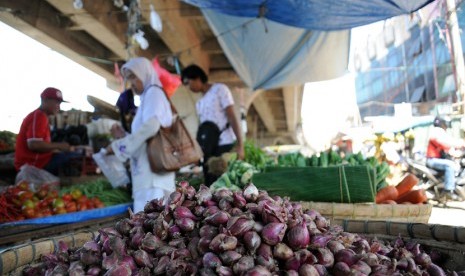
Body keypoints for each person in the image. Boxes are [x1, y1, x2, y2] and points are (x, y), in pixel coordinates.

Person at [106, 57, 175, 212]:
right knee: (154, 220)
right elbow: (145, 132)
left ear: (145, 74)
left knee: (149, 221)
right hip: (150, 171)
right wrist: (123, 135)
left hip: (152, 172)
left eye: (133, 77)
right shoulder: (148, 97)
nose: (131, 83)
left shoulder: (153, 93)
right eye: (128, 78)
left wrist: (119, 146)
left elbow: (152, 126)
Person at [181, 64, 244, 186]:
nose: (188, 87)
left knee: (225, 185)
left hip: (224, 145)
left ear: (197, 78)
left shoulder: (220, 89)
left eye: (188, 82)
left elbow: (232, 116)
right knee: (210, 184)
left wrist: (240, 144)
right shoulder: (200, 102)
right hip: (208, 148)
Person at [14, 87, 83, 176]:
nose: (58, 106)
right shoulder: (39, 116)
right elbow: (34, 145)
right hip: (32, 166)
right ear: (44, 100)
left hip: (37, 162)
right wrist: (60, 146)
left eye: (60, 103)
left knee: (71, 154)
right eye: (56, 102)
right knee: (74, 156)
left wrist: (55, 149)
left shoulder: (42, 116)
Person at [426, 116, 465, 201]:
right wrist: (460, 144)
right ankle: (448, 190)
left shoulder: (441, 132)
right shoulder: (436, 131)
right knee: (450, 165)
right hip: (432, 160)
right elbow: (446, 143)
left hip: (438, 160)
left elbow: (448, 147)